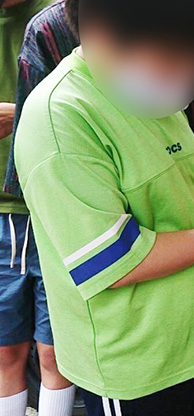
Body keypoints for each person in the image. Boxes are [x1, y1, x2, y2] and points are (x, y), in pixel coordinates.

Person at [14, 0, 194, 415]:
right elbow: (113, 261)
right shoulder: (61, 118)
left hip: (192, 345)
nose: (179, 74)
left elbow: (192, 180)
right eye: (170, 55)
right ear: (100, 32)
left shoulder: (150, 93)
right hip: (134, 364)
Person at [0, 1, 76, 415]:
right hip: (2, 217)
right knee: (5, 352)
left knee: (56, 350)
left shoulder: (59, 16)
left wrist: (21, 113)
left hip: (57, 206)